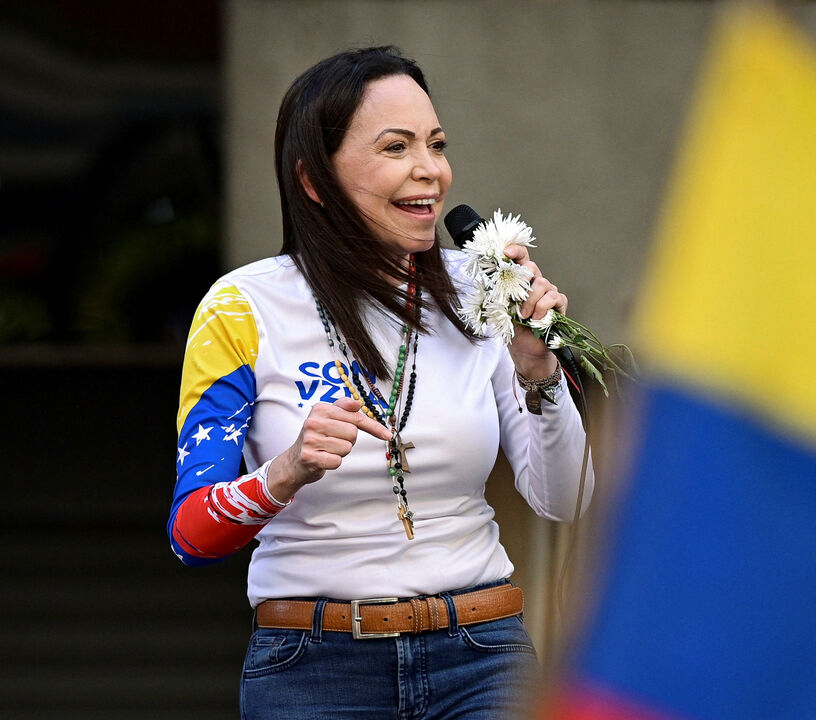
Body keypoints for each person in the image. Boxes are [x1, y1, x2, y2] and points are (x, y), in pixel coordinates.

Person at [166, 46, 593, 719]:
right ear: (314, 180)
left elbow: (565, 500)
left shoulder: (482, 290)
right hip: (311, 667)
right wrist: (286, 470)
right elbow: (190, 533)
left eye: (437, 144)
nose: (431, 170)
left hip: (483, 658)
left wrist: (537, 371)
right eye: (396, 147)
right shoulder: (241, 308)